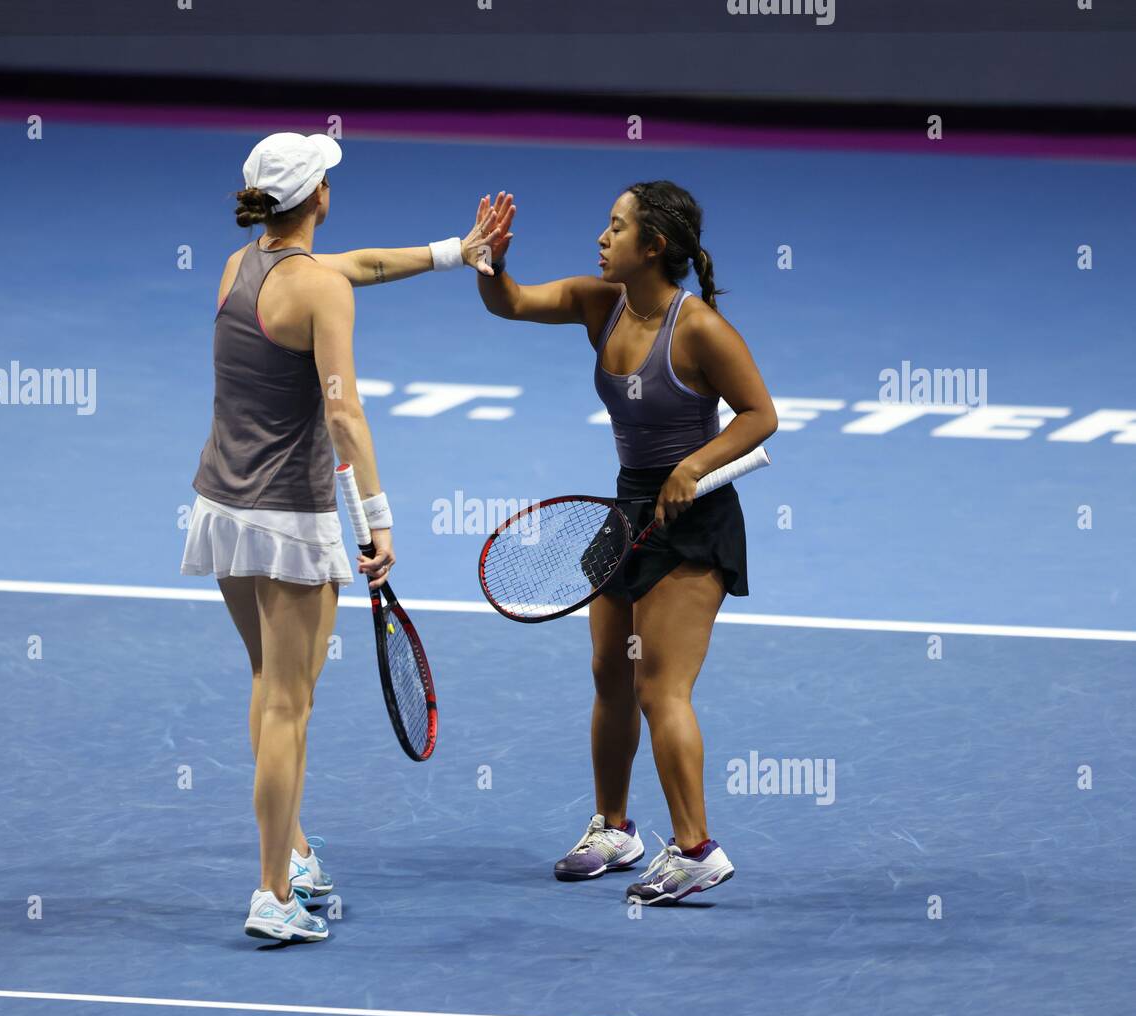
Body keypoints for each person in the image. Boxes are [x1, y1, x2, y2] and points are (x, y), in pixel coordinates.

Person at [182, 133, 504, 941]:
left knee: (270, 685)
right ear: (317, 197)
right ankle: (271, 894)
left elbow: (351, 266)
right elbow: (343, 412)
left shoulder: (238, 266)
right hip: (290, 519)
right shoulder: (321, 293)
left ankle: (289, 852)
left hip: (222, 506)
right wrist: (379, 515)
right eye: (327, 177)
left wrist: (450, 252)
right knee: (292, 704)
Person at [476, 182, 777, 905]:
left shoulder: (698, 328)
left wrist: (694, 465)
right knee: (611, 672)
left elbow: (760, 415)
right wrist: (488, 264)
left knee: (659, 687)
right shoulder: (597, 301)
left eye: (616, 228)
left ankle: (698, 849)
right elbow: (511, 303)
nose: (601, 239)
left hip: (694, 520)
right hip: (627, 511)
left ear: (654, 247)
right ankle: (615, 829)